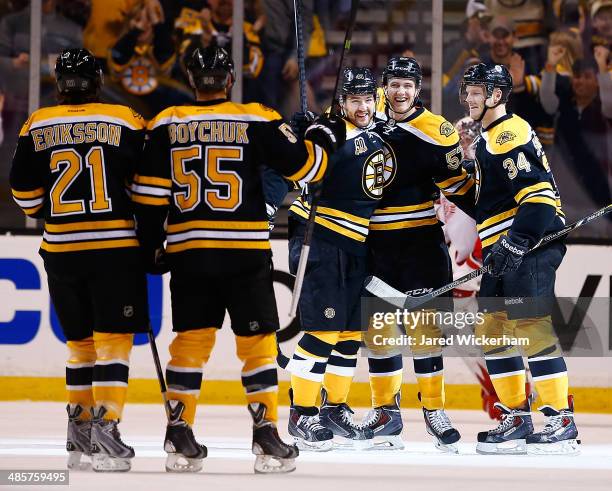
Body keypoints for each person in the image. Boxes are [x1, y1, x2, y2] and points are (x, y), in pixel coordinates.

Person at [131, 45, 336, 473]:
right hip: (244, 251)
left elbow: (148, 197)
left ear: (190, 80)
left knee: (190, 341)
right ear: (229, 79)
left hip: (190, 253)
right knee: (258, 343)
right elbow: (309, 169)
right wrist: (319, 136)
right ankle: (265, 434)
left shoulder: (167, 122)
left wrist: (151, 246)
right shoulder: (257, 118)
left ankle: (178, 429)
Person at [9, 48, 149, 472]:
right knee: (113, 343)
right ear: (98, 79)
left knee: (80, 345)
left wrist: (50, 210)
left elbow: (24, 195)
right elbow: (148, 186)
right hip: (113, 249)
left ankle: (79, 432)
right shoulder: (125, 119)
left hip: (62, 251)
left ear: (59, 83)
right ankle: (106, 428)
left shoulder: (37, 124)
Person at [460, 62, 580, 455]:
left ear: (496, 96)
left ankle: (560, 419)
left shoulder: (508, 131)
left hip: (528, 243)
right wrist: (464, 158)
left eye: (477, 92)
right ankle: (516, 416)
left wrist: (517, 241)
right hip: (505, 246)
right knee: (494, 330)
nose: (468, 98)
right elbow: (482, 204)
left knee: (530, 325)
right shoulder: (489, 139)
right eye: (468, 91)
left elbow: (539, 197)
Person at [355, 57, 474, 452]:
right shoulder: (366, 118)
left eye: (408, 85)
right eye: (394, 84)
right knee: (380, 332)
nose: (400, 92)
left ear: (418, 89)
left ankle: (434, 411)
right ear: (383, 87)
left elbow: (459, 187)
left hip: (421, 244)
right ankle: (386, 414)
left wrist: (502, 215)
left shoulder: (436, 131)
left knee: (426, 332)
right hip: (375, 246)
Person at [282, 67, 394, 451]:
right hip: (322, 238)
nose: (361, 107)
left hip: (355, 244)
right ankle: (303, 414)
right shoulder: (329, 131)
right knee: (323, 332)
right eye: (354, 100)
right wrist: (303, 138)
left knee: (349, 334)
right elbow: (300, 171)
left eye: (367, 99)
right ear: (341, 101)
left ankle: (333, 408)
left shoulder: (378, 132)